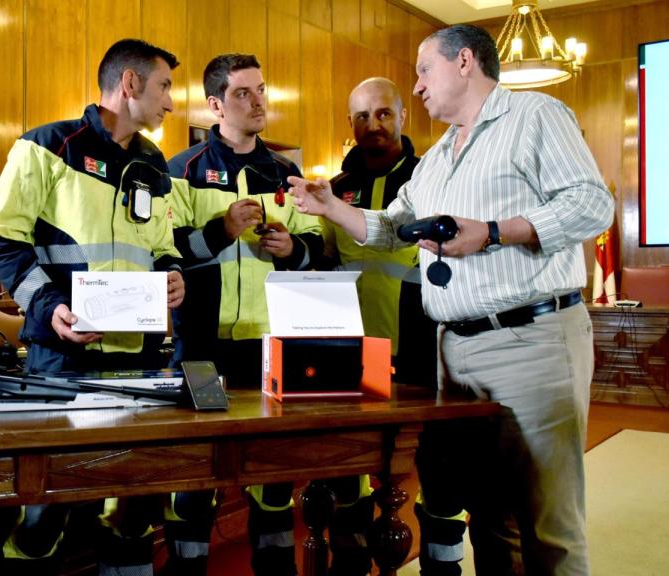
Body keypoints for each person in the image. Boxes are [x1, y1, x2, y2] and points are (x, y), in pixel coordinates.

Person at [288, 24, 613, 576]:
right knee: (489, 515)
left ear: (464, 62)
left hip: (529, 340)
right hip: (453, 354)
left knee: (547, 522)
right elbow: (395, 227)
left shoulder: (535, 116)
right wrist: (331, 208)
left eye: (422, 70)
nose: (416, 88)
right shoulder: (437, 158)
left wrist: (491, 231)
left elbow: (591, 204)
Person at [0, 38, 185, 575]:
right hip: (62, 358)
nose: (171, 101)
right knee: (47, 508)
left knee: (135, 507)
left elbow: (160, 245)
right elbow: (2, 241)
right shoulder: (46, 146)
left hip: (138, 360)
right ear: (130, 83)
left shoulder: (153, 162)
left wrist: (173, 275)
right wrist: (48, 308)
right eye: (165, 86)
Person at [165, 53, 324, 576]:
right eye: (242, 93)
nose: (258, 102)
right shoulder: (181, 170)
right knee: (194, 479)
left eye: (261, 91)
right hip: (202, 350)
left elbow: (319, 247)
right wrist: (220, 231)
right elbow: (162, 251)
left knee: (273, 475)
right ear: (215, 104)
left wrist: (291, 248)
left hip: (269, 348)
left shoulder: (284, 172)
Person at [314, 77, 437, 576]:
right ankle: (348, 562)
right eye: (362, 117)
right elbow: (321, 266)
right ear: (350, 124)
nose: (374, 125)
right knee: (348, 478)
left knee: (428, 472)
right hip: (351, 358)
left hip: (419, 352)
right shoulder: (335, 191)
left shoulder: (432, 178)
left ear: (403, 116)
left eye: (383, 113)